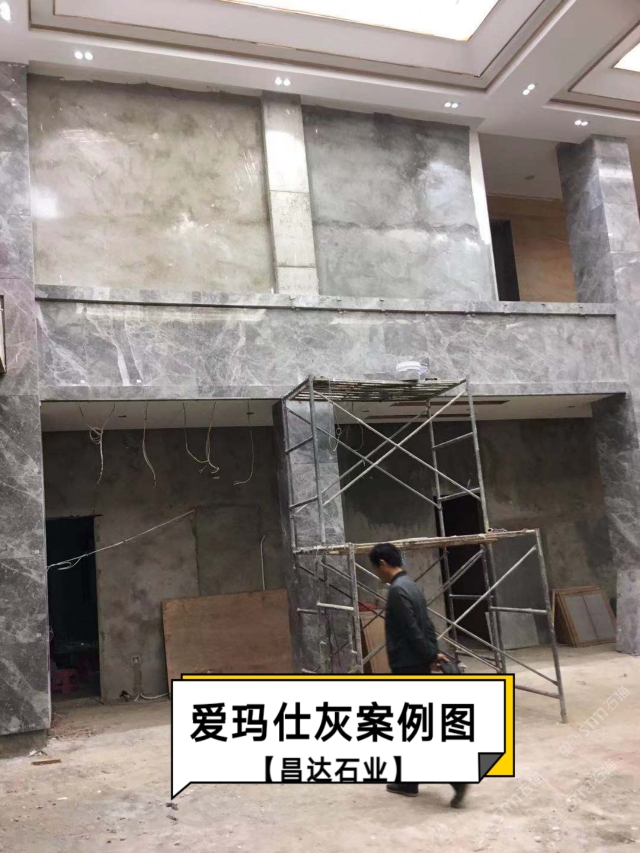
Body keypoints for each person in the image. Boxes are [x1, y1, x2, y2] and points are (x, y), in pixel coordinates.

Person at [369, 542, 468, 809]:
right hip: (416, 663)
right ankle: (408, 782)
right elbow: (427, 625)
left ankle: (456, 777)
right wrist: (432, 653)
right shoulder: (411, 586)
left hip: (407, 666)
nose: (377, 574)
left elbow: (412, 630)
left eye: (376, 568)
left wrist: (429, 655)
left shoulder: (397, 591)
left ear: (382, 564)